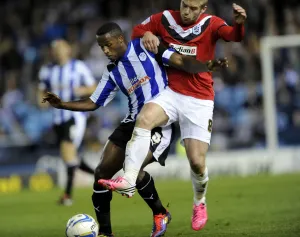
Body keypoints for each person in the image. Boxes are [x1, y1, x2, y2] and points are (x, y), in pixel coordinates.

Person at [42, 23, 228, 237]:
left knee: (135, 167)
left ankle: (160, 213)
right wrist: (62, 103)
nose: (104, 51)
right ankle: (105, 233)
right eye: (101, 47)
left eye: (108, 45)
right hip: (132, 122)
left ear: (120, 40)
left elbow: (179, 60)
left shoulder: (145, 47)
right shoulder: (112, 71)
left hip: (161, 122)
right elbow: (94, 102)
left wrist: (206, 65)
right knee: (101, 173)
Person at [98, 0, 247, 232]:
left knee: (197, 163)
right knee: (145, 117)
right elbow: (137, 31)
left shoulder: (212, 23)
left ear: (203, 9)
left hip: (199, 100)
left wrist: (239, 25)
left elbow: (233, 36)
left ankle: (199, 202)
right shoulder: (165, 19)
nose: (187, 11)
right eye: (184, 5)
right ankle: (128, 179)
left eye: (193, 8)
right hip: (171, 92)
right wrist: (147, 32)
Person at [38, 39, 97, 206]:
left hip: (75, 115)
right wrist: (41, 99)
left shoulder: (77, 67)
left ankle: (67, 195)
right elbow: (41, 90)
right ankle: (100, 177)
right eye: (54, 48)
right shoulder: (47, 69)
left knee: (67, 150)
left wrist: (81, 90)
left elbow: (93, 86)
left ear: (68, 50)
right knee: (69, 157)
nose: (57, 51)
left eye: (60, 47)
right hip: (56, 118)